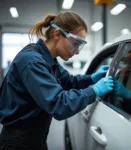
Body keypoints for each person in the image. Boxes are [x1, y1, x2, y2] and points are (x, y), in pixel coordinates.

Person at [0, 11, 114, 150]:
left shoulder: (48, 59)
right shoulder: (32, 62)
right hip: (19, 142)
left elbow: (68, 81)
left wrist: (92, 78)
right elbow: (59, 105)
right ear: (57, 34)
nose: (77, 51)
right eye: (76, 43)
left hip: (36, 138)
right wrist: (94, 90)